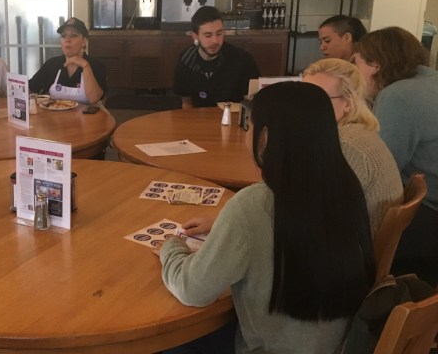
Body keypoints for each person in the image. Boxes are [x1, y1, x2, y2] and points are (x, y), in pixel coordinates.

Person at [156, 82, 375, 353]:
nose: (246, 136)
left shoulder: (255, 204)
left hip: (269, 347)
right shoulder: (346, 187)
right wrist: (225, 223)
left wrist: (171, 248)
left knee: (167, 341)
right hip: (331, 345)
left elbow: (192, 290)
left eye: (249, 127)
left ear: (265, 137)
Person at [353, 26, 438, 284]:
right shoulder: (430, 79)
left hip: (426, 216)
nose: (354, 74)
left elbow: (379, 169)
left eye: (356, 63)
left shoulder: (398, 96)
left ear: (376, 64)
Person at [303, 58, 402, 236]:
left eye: (319, 98)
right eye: (303, 96)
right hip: (351, 239)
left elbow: (313, 211)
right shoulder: (357, 132)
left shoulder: (347, 145)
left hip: (351, 250)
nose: (306, 106)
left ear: (348, 103)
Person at [172, 6, 260, 108]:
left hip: (232, 118)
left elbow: (252, 104)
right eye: (208, 35)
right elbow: (186, 102)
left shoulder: (242, 60)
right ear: (195, 36)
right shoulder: (186, 60)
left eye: (219, 34)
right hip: (198, 118)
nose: (215, 41)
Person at [28, 17, 107, 105]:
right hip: (55, 118)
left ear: (84, 41)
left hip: (88, 118)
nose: (67, 40)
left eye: (74, 35)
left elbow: (94, 98)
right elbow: (30, 88)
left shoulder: (96, 66)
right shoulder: (52, 64)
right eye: (63, 36)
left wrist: (84, 65)